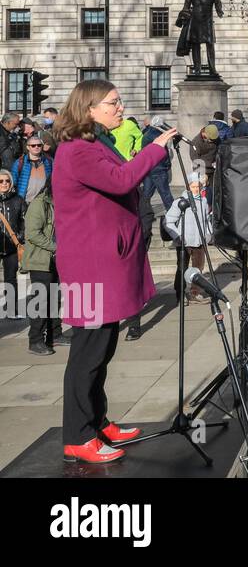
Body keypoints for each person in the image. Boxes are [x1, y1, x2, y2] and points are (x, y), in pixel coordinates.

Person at [52, 80, 178, 463]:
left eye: (119, 102)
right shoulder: (78, 150)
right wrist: (155, 150)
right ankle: (77, 435)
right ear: (88, 108)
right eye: (112, 102)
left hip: (104, 258)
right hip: (90, 264)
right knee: (88, 353)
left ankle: (97, 420)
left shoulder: (96, 143)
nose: (120, 107)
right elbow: (123, 179)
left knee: (103, 347)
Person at [21, 182, 66, 354]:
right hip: (40, 260)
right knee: (40, 301)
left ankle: (55, 335)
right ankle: (35, 340)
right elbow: (32, 233)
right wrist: (56, 247)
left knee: (54, 298)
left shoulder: (59, 202)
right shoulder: (39, 203)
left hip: (54, 260)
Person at [162, 172, 214, 304]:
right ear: (188, 186)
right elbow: (168, 221)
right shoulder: (180, 202)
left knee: (198, 269)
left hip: (199, 242)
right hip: (184, 242)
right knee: (182, 268)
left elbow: (207, 220)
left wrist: (209, 233)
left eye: (198, 186)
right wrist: (177, 236)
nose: (196, 189)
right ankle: (179, 293)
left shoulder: (203, 202)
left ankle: (195, 293)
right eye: (193, 186)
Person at [0, 169, 25, 318]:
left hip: (11, 247)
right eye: (1, 181)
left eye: (7, 181)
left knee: (11, 279)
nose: (4, 184)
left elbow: (25, 222)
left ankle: (11, 309)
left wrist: (19, 238)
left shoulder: (18, 200)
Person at [11, 132, 53, 202]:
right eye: (33, 145)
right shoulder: (20, 162)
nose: (36, 147)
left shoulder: (49, 161)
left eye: (39, 145)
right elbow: (13, 182)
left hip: (43, 201)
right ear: (28, 147)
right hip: (24, 201)